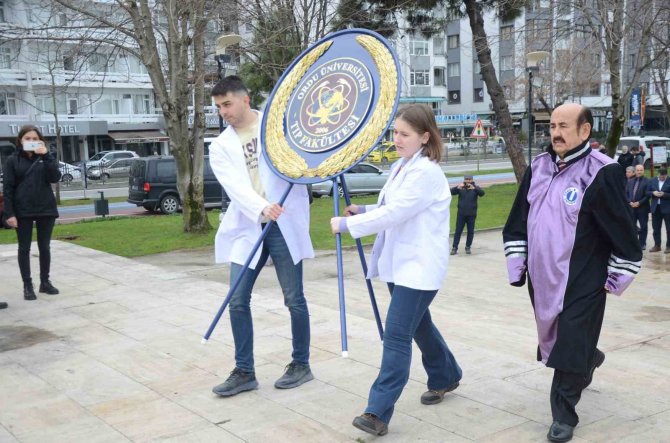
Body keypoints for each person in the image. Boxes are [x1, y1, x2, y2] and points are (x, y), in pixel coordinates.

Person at [503, 104, 642, 443]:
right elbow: (519, 218)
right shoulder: (538, 167)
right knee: (560, 339)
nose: (555, 132)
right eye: (552, 125)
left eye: (564, 125)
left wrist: (614, 278)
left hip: (583, 277)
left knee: (569, 344)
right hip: (543, 278)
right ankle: (589, 359)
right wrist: (518, 264)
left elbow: (623, 230)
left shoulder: (603, 172)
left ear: (585, 131)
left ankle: (563, 416)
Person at [331, 105, 462, 437]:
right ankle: (446, 374)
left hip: (419, 269)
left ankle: (377, 411)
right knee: (420, 327)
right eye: (395, 132)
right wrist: (364, 209)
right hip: (400, 266)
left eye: (404, 134)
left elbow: (398, 212)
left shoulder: (427, 173)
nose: (397, 139)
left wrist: (348, 223)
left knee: (397, 335)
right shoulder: (404, 166)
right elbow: (393, 207)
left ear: (424, 137)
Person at [208, 76, 315, 397]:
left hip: (284, 223)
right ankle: (244, 371)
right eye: (218, 107)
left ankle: (301, 364)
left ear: (245, 99)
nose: (223, 112)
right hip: (249, 225)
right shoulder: (220, 146)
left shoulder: (278, 128)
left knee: (294, 298)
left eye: (227, 104)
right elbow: (235, 188)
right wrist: (262, 207)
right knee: (237, 300)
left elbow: (302, 162)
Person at [3, 125, 61, 300]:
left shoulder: (45, 158)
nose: (31, 142)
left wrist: (47, 155)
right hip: (23, 210)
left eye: (35, 139)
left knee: (45, 247)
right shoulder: (12, 160)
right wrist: (10, 214)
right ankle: (27, 285)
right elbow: (8, 189)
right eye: (27, 138)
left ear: (40, 140)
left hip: (46, 208)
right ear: (20, 140)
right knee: (24, 248)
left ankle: (45, 282)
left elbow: (55, 177)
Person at [450, 174, 485, 255]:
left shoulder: (475, 188)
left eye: (469, 179)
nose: (468, 181)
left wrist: (475, 188)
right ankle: (454, 248)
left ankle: (468, 247)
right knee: (458, 231)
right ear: (464, 180)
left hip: (471, 214)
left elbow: (482, 193)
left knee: (470, 231)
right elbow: (451, 192)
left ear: (472, 180)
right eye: (466, 179)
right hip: (461, 214)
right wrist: (457, 187)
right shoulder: (461, 187)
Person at [647, 167, 670, 253]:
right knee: (656, 228)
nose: (661, 178)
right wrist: (653, 193)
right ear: (658, 174)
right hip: (655, 208)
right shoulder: (652, 180)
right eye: (660, 176)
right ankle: (657, 245)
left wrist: (664, 194)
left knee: (669, 228)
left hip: (667, 208)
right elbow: (647, 191)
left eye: (663, 177)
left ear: (666, 175)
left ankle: (669, 246)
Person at [627, 164, 650, 250]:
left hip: (642, 208)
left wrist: (639, 203)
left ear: (643, 171)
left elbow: (647, 195)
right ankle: (634, 243)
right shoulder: (630, 181)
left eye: (641, 170)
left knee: (643, 226)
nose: (639, 172)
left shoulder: (647, 181)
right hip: (632, 207)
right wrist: (629, 202)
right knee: (632, 226)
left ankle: (642, 244)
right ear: (635, 171)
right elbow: (626, 193)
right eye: (638, 170)